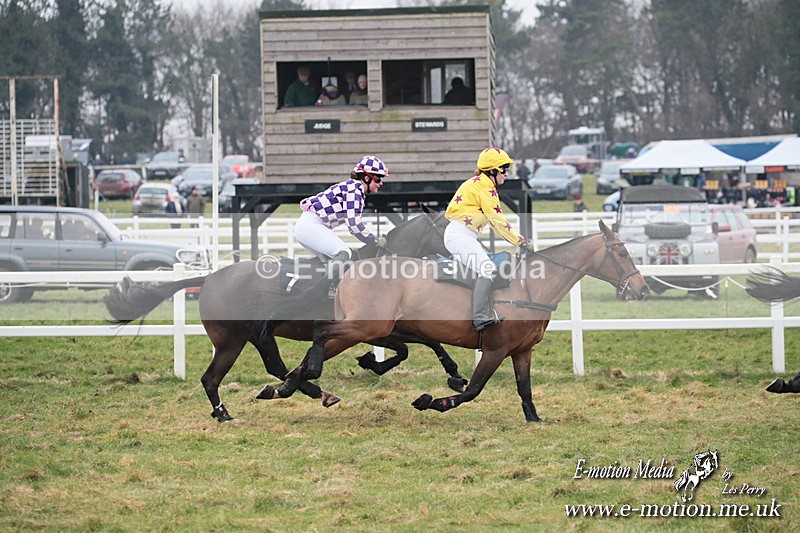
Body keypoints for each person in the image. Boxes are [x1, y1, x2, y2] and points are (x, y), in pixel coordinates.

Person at [444, 147, 534, 331]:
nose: (506, 174)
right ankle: (478, 317)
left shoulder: (481, 184)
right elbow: (498, 221)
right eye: (503, 170)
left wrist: (517, 240)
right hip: (460, 235)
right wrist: (520, 241)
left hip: (462, 235)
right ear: (492, 170)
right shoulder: (485, 188)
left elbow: (495, 222)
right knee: (487, 269)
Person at [294, 156, 389, 295]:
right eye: (378, 179)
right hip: (310, 226)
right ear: (366, 178)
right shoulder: (355, 189)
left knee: (331, 260)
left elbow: (352, 224)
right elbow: (354, 223)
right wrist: (373, 240)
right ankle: (326, 291)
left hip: (310, 226)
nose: (381, 183)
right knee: (344, 252)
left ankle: (328, 292)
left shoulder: (354, 188)